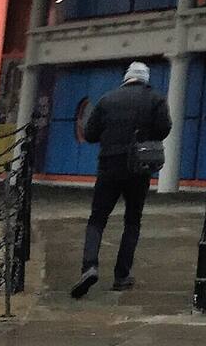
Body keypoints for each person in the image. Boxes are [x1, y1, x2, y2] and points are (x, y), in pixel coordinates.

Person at [74, 61, 171, 298]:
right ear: (145, 79)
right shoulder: (156, 99)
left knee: (97, 218)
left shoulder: (107, 99)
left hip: (109, 165)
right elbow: (164, 129)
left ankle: (90, 266)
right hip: (139, 167)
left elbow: (89, 133)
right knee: (132, 220)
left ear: (126, 78)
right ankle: (122, 274)